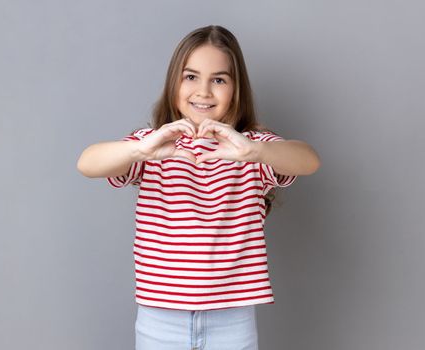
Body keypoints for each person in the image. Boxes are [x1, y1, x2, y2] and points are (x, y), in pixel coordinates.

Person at [77, 25, 320, 350]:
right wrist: (140, 149)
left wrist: (255, 150)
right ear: (173, 82)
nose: (203, 91)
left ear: (236, 89)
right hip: (159, 316)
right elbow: (87, 162)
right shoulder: (152, 146)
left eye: (218, 79)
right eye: (191, 77)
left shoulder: (248, 147)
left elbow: (308, 160)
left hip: (232, 316)